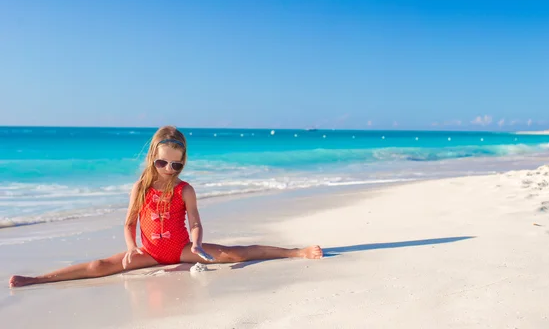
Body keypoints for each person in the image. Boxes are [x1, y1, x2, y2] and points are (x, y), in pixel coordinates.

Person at [9, 126, 322, 288]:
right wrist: (131, 247)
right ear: (152, 159)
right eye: (162, 162)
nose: (169, 169)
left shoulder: (185, 190)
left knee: (236, 252)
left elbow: (195, 222)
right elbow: (129, 224)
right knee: (98, 267)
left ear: (183, 162)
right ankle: (38, 280)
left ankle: (295, 252)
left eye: (176, 164)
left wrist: (197, 243)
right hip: (148, 252)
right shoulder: (140, 187)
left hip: (182, 249)